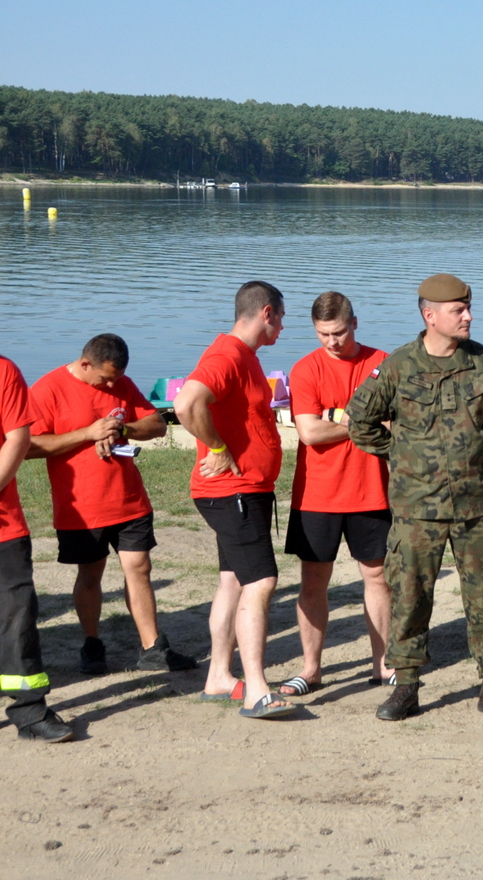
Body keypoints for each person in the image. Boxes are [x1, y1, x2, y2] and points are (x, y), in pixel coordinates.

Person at [346, 273, 483, 721]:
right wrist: (403, 455)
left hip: (475, 507)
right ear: (430, 316)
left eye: (468, 309)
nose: (468, 316)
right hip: (416, 510)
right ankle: (405, 686)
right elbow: (360, 421)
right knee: (410, 597)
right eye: (457, 311)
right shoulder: (398, 366)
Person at [28, 334, 195, 675]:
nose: (111, 384)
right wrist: (86, 434)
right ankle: (92, 643)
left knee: (139, 567)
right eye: (105, 378)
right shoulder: (49, 389)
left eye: (116, 378)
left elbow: (157, 425)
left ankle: (152, 648)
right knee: (90, 574)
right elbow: (29, 445)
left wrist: (122, 429)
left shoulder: (122, 384)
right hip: (81, 506)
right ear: (85, 363)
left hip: (129, 500)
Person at [175, 281, 292, 718]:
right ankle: (258, 688)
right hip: (233, 491)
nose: (282, 326)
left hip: (243, 491)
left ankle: (220, 677)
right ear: (266, 313)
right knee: (261, 582)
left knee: (233, 580)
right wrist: (220, 451)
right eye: (280, 317)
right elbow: (188, 403)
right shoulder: (227, 355)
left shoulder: (244, 356)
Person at [278, 293, 393, 694]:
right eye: (324, 334)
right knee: (313, 582)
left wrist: (336, 417)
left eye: (339, 332)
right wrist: (364, 419)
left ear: (355, 323)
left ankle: (383, 664)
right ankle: (311, 669)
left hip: (372, 491)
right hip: (317, 495)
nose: (332, 341)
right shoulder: (305, 369)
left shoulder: (382, 363)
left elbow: (397, 424)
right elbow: (309, 432)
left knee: (377, 577)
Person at [0, 353, 73, 741]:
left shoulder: (4, 370)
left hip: (3, 527)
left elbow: (18, 438)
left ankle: (28, 712)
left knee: (17, 617)